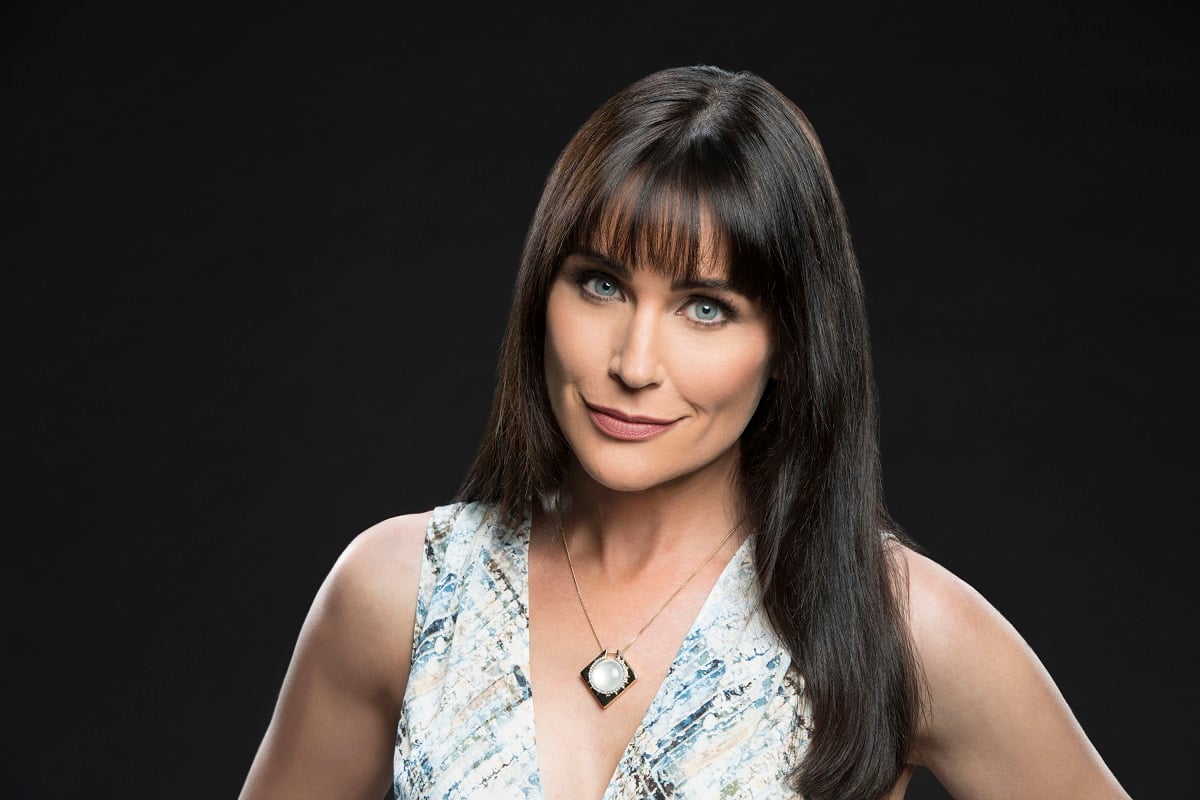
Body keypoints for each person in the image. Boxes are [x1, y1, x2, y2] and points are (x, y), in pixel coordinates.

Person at [239, 65, 1130, 799]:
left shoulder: (892, 624)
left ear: (787, 343)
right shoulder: (401, 594)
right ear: (541, 291)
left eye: (707, 308)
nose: (635, 361)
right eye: (600, 285)